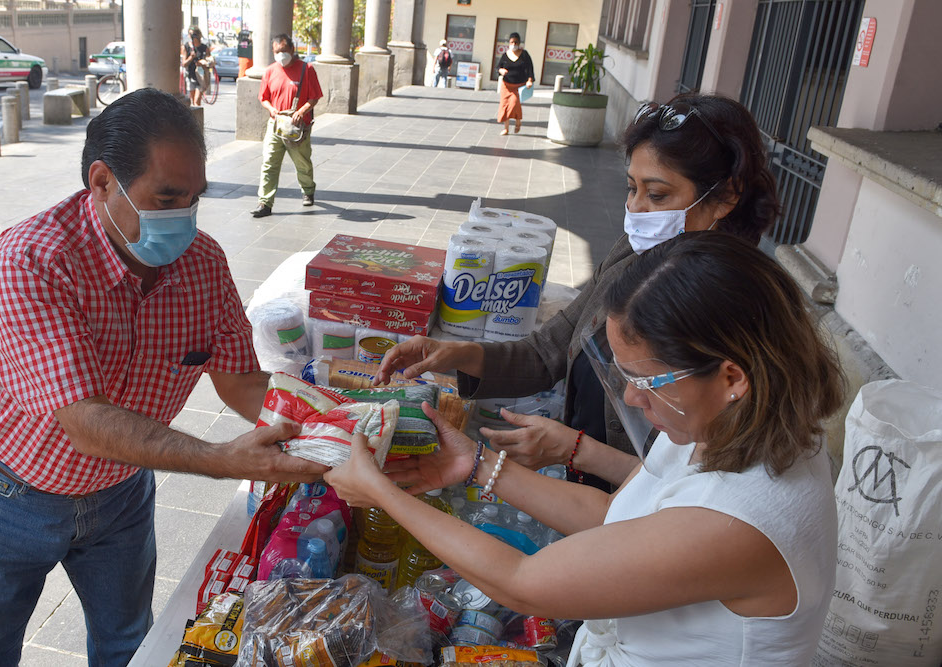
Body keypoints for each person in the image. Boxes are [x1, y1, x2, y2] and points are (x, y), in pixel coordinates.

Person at [328, 231, 845, 665]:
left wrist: (385, 495)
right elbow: (620, 519)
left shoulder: (742, 521)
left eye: (646, 379)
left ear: (732, 375)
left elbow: (522, 582)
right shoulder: (730, 426)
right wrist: (478, 464)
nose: (631, 397)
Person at [0, 88, 327, 666]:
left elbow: (242, 383)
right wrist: (223, 458)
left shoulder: (202, 263)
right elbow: (86, 422)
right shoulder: (31, 261)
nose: (184, 218)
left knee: (129, 642)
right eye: (167, 197)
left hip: (120, 496)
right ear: (102, 183)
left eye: (195, 199)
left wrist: (328, 421)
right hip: (6, 495)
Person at [374, 93, 782, 493]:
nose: (636, 208)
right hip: (589, 488)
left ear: (726, 196)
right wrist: (454, 354)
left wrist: (575, 451)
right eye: (631, 188)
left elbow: (695, 486)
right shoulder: (634, 254)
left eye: (657, 194)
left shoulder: (733, 309)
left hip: (637, 512)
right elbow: (551, 347)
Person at [251, 34, 322, 217]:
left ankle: (308, 189)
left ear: (292, 49)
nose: (281, 55)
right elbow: (264, 98)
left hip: (298, 127)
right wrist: (271, 109)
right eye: (277, 51)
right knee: (269, 162)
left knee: (302, 163)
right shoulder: (270, 71)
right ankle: (265, 202)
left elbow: (314, 98)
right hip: (275, 125)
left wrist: (301, 111)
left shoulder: (307, 69)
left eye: (284, 50)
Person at [496, 32, 534, 135]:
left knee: (513, 104)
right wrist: (501, 71)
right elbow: (498, 67)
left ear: (519, 43)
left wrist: (530, 80)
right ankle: (506, 128)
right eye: (512, 42)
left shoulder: (524, 55)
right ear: (509, 42)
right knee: (504, 106)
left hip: (518, 85)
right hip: (506, 84)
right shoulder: (505, 55)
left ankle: (518, 122)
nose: (513, 44)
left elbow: (529, 68)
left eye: (515, 42)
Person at [183, 27, 211, 106]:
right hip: (191, 75)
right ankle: (195, 116)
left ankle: (197, 117)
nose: (192, 36)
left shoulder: (204, 48)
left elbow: (210, 62)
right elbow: (184, 64)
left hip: (201, 76)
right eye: (190, 34)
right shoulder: (186, 47)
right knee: (192, 100)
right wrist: (191, 58)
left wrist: (203, 63)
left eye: (194, 34)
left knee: (197, 100)